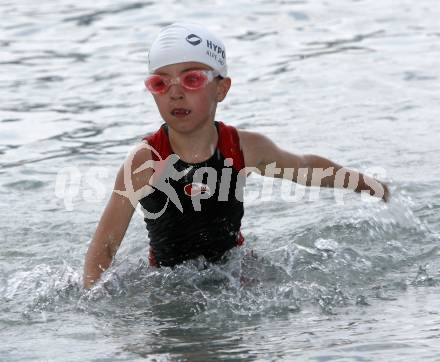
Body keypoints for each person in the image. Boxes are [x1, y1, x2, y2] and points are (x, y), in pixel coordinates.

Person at [83, 22, 389, 289]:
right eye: (161, 83)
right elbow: (105, 247)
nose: (175, 93)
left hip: (235, 270)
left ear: (221, 88)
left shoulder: (242, 147)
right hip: (167, 280)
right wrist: (94, 300)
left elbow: (305, 167)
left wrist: (368, 184)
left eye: (191, 80)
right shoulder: (145, 160)